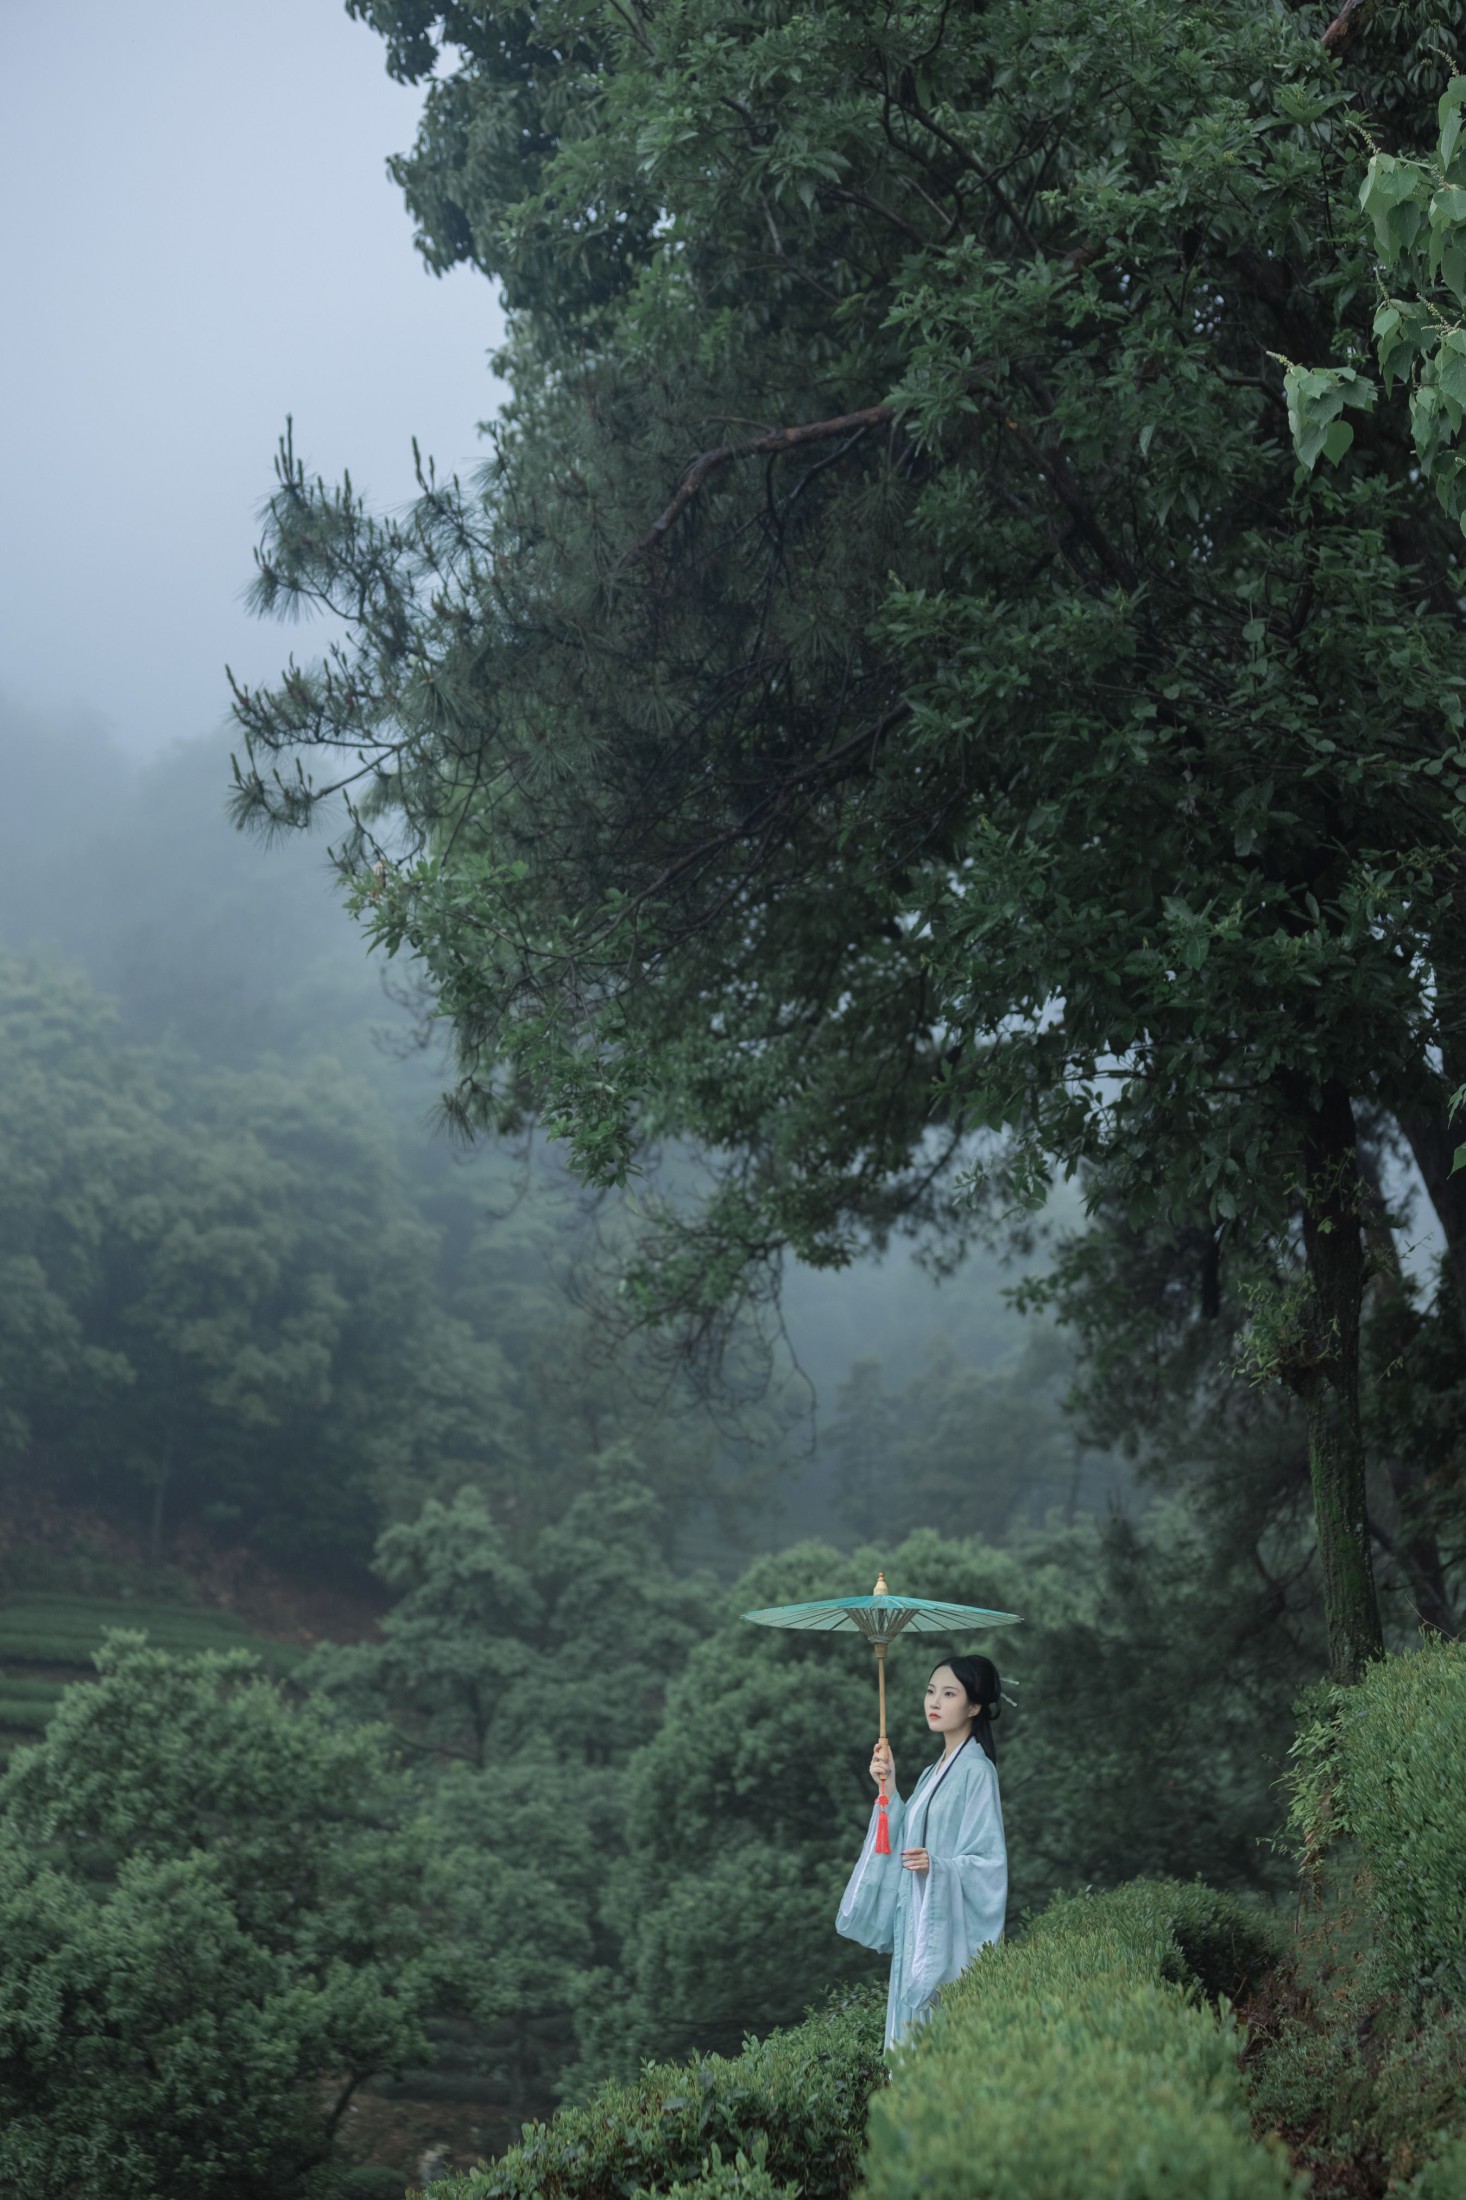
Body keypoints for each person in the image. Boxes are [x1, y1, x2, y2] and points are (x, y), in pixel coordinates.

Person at [835, 1653, 1007, 2050]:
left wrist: (940, 1867)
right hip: (917, 1921)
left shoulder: (977, 1772)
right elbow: (909, 1834)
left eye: (949, 1694)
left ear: (974, 1706)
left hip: (942, 1928)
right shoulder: (934, 1771)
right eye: (931, 1691)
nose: (934, 1702)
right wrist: (889, 1787)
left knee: (938, 2046)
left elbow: (989, 1863)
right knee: (910, 2044)